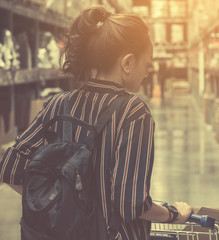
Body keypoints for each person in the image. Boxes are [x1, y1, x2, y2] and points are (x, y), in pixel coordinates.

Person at [0, 6, 192, 240]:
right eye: (147, 64)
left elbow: (10, 168)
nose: (147, 72)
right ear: (128, 62)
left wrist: (58, 206)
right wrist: (175, 214)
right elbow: (130, 205)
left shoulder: (58, 104)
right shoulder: (134, 112)